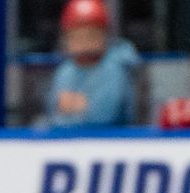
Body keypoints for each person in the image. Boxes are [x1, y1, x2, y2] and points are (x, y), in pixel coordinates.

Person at [44, 0, 142, 129]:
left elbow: (103, 116)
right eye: (76, 36)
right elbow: (53, 112)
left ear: (104, 36)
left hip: (112, 139)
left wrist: (74, 107)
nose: (84, 42)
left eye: (91, 35)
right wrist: (80, 106)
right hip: (68, 139)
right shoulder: (65, 70)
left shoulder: (114, 68)